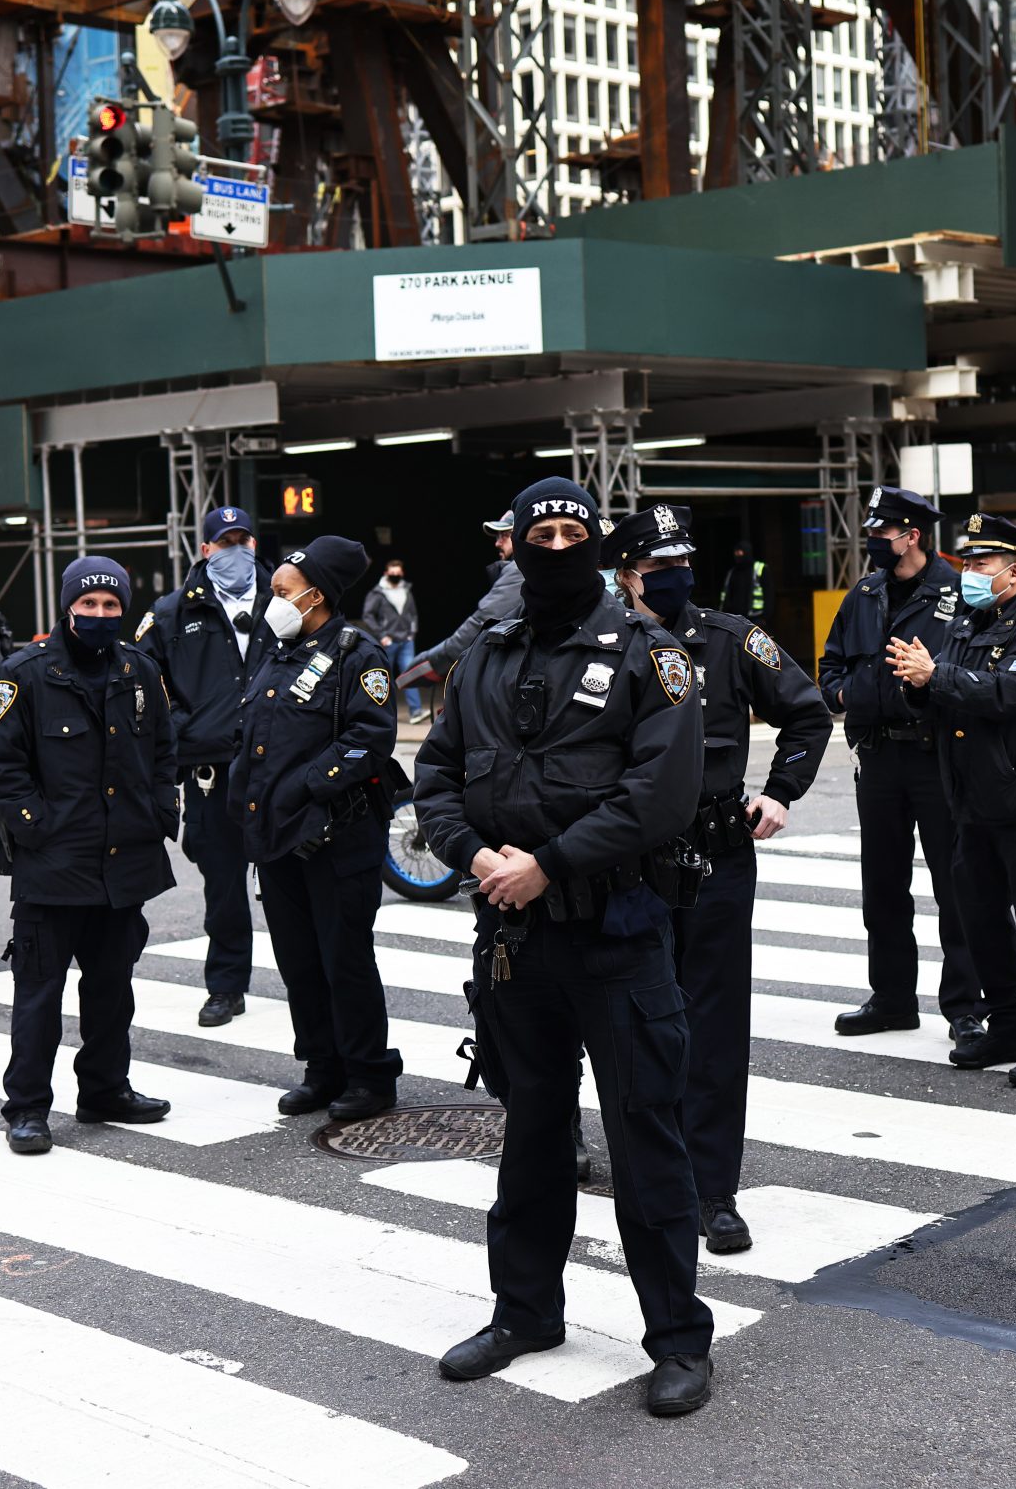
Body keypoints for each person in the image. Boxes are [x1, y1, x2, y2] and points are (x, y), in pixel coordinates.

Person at [413, 476, 714, 1418]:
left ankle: (675, 1340)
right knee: (532, 1135)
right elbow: (435, 771)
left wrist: (547, 862)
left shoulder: (651, 656)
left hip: (617, 934)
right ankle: (524, 1312)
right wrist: (474, 853)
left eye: (567, 531)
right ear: (514, 545)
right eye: (536, 531)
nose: (552, 545)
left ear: (594, 546)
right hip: (513, 942)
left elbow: (659, 794)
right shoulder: (487, 658)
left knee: (645, 1137)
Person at [609, 503, 831, 1255]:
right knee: (635, 1019)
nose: (675, 578)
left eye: (682, 564)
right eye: (659, 568)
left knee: (712, 1022)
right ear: (626, 577)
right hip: (625, 859)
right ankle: (648, 1172)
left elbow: (807, 716)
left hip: (714, 856)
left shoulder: (734, 641)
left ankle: (713, 1189)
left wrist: (779, 792)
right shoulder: (603, 646)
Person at [0, 556, 177, 1156]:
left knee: (113, 987)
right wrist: (38, 829)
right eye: (87, 605)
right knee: (39, 992)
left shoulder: (140, 671)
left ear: (123, 608)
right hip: (54, 865)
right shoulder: (24, 674)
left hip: (125, 865)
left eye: (110, 605)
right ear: (68, 607)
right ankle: (28, 1108)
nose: (98, 614)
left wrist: (163, 810)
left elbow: (165, 750)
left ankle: (105, 1090)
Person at [884, 512, 1016, 1088]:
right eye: (967, 562)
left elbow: (1005, 694)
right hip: (972, 802)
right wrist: (917, 684)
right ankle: (1008, 1023)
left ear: (1015, 571)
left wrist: (937, 677)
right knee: (980, 920)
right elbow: (948, 696)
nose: (969, 571)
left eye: (980, 563)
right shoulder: (969, 624)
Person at [235, 534, 403, 1122]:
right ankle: (322, 1068)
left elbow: (371, 739)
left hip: (336, 836)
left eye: (282, 590)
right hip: (279, 838)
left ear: (316, 595)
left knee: (344, 960)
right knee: (298, 961)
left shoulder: (359, 655)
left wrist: (308, 785)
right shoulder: (275, 652)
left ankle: (369, 1075)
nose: (271, 600)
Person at [816, 486, 983, 1043]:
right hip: (879, 755)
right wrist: (841, 696)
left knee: (955, 885)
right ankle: (891, 997)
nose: (874, 544)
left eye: (882, 535)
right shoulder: (863, 594)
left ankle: (966, 1005)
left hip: (939, 755)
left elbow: (974, 670)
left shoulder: (957, 593)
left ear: (912, 536)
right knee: (882, 884)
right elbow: (830, 662)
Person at [140, 507, 264, 1027]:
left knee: (295, 882)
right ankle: (226, 986)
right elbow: (142, 680)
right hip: (210, 767)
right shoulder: (173, 611)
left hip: (275, 762)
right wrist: (181, 727)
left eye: (243, 539)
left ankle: (316, 979)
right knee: (224, 883)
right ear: (206, 549)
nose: (235, 548)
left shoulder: (288, 599)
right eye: (224, 540)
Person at [402, 508, 526, 692]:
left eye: (505, 535)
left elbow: (482, 623)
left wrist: (423, 666)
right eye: (497, 536)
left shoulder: (519, 569)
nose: (498, 543)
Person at [359, 556, 424, 721]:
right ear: (386, 573)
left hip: (406, 640)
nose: (395, 575)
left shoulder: (406, 590)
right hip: (388, 641)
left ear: (401, 573)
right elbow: (368, 616)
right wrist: (382, 635)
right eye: (392, 572)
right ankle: (380, 713)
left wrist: (412, 633)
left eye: (398, 572)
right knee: (382, 677)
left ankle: (415, 711)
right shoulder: (378, 592)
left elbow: (413, 614)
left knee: (409, 675)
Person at [718, 544, 767, 622]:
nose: (738, 555)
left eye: (740, 552)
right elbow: (726, 595)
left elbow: (768, 593)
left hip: (756, 617)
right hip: (736, 618)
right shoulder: (732, 572)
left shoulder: (759, 569)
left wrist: (765, 617)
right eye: (736, 553)